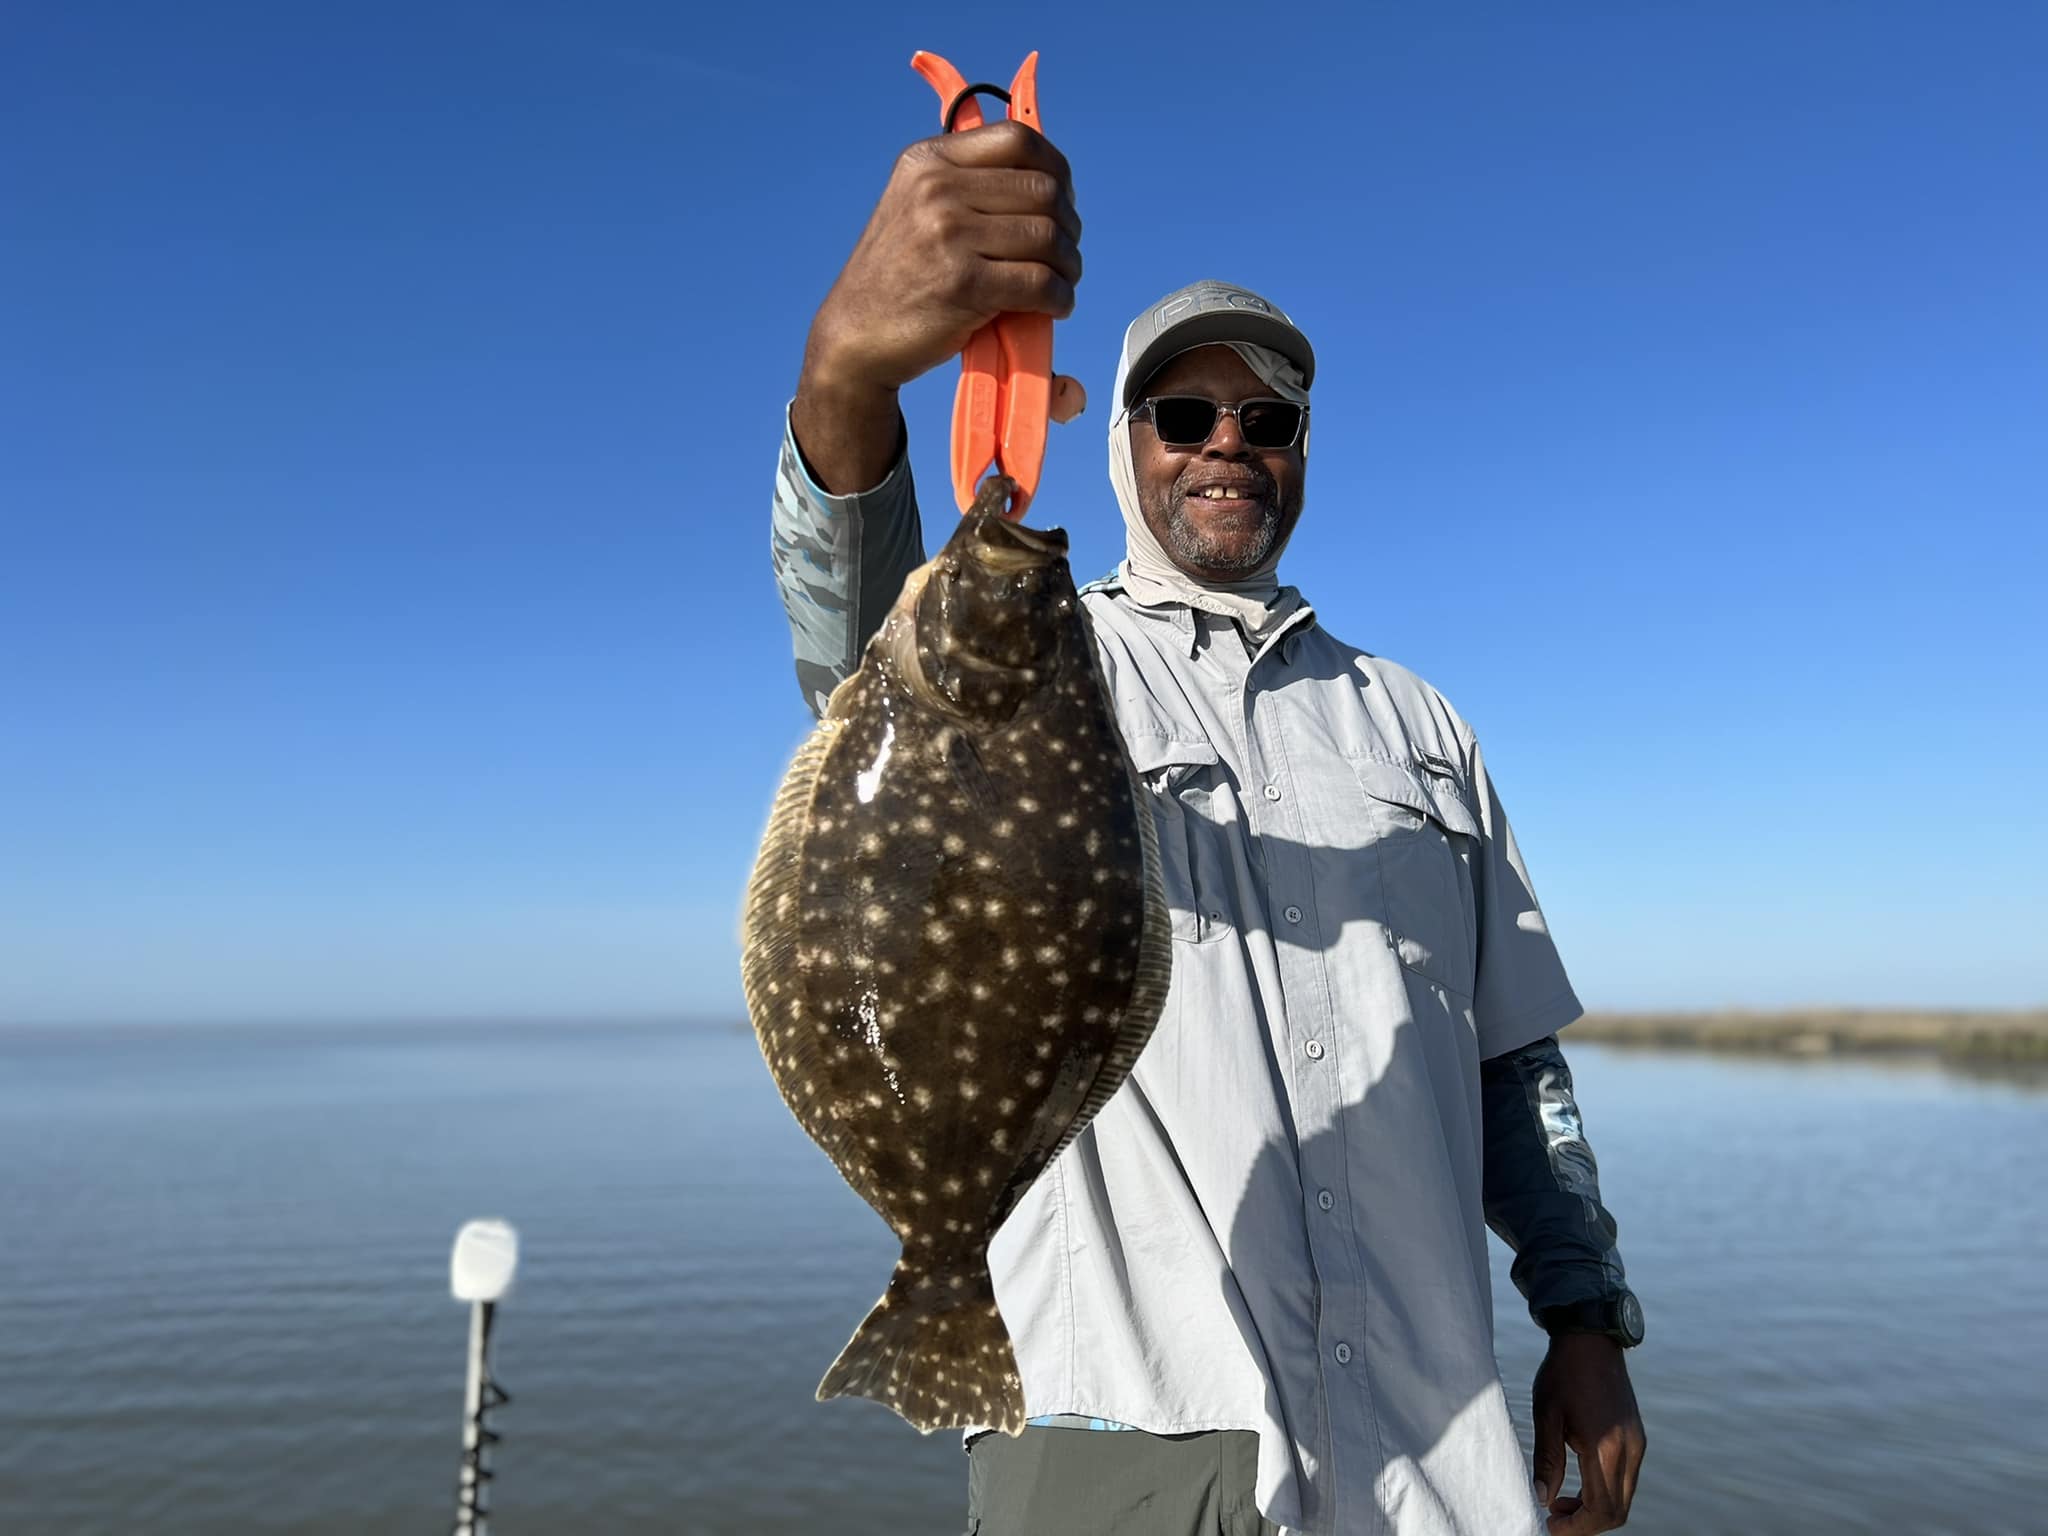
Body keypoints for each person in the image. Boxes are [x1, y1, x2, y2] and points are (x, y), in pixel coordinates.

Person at [766, 119, 1648, 1536]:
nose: (1225, 443)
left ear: (1302, 450)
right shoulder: (1059, 655)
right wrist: (847, 372)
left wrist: (1587, 1316)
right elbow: (857, 633)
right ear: (1123, 447)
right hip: (1134, 1440)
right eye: (1184, 415)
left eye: (1266, 418)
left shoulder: (1420, 724)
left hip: (1442, 1464)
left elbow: (1511, 1063)